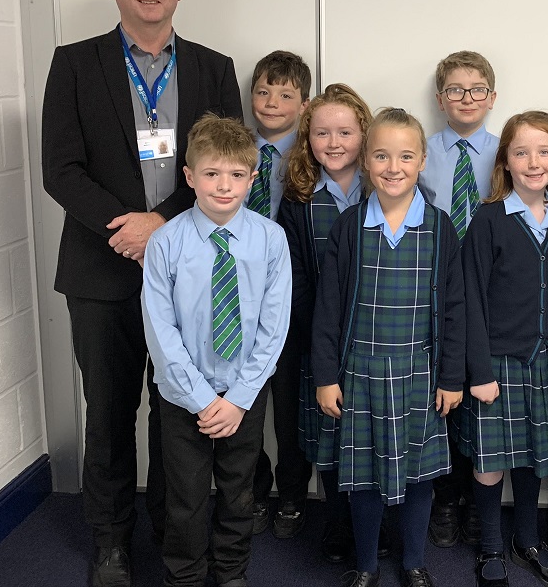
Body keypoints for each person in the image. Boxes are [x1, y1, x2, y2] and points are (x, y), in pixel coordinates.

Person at [41, 0, 241, 587]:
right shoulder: (74, 64)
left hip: (187, 269)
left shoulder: (214, 68)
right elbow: (61, 168)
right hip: (102, 271)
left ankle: (171, 531)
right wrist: (123, 227)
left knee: (178, 409)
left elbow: (230, 166)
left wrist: (164, 224)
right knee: (109, 410)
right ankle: (110, 543)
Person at [312, 108, 466, 587]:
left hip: (420, 370)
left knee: (419, 474)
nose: (393, 167)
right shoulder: (350, 227)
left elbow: (456, 309)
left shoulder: (441, 228)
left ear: (422, 160)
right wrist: (325, 377)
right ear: (366, 162)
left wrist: (451, 377)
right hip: (358, 370)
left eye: (405, 156)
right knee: (362, 475)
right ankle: (366, 566)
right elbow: (328, 310)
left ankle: (414, 561)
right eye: (381, 155)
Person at [141, 114, 291, 587]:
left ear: (252, 177)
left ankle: (230, 573)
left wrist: (239, 398)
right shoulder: (166, 242)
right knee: (183, 495)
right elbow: (160, 329)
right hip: (184, 395)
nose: (223, 186)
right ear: (189, 177)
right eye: (211, 174)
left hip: (244, 393)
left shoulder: (270, 239)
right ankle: (184, 575)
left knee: (238, 491)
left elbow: (274, 325)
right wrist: (204, 400)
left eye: (236, 175)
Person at [459, 111, 548, 587]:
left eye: (544, 151)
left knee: (537, 457)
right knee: (491, 460)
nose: (534, 161)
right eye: (521, 152)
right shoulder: (489, 219)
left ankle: (528, 540)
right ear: (506, 162)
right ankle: (491, 545)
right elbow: (470, 299)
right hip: (498, 363)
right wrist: (478, 368)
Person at [277, 83, 376, 562]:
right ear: (307, 138)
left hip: (378, 337)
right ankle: (337, 526)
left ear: (365, 134)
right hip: (322, 338)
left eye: (345, 132)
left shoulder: (385, 186)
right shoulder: (297, 199)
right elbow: (293, 276)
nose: (333, 143)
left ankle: (377, 528)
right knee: (332, 434)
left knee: (376, 432)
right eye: (321, 133)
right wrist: (319, 340)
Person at [418, 50, 499, 547]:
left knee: (484, 394)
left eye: (476, 90)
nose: (466, 98)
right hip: (439, 286)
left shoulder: (509, 150)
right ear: (439, 98)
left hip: (492, 289)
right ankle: (444, 498)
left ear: (492, 97)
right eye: (454, 90)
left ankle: (477, 496)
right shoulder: (422, 151)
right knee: (443, 395)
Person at [246, 50, 312, 536]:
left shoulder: (310, 159)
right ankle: (252, 485)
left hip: (289, 296)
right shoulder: (235, 151)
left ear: (304, 105)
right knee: (245, 400)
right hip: (236, 295)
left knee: (289, 402)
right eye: (264, 91)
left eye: (286, 95)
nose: (272, 103)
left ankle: (291, 492)